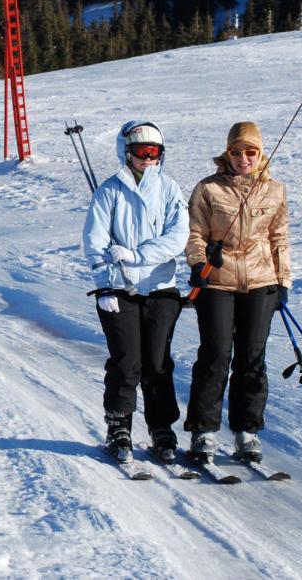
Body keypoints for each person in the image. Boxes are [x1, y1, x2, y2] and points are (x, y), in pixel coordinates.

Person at [184, 121, 292, 463]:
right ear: (226, 154)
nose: (243, 158)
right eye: (236, 152)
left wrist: (283, 282)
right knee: (216, 354)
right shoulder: (209, 189)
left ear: (260, 154)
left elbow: (279, 238)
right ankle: (204, 431)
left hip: (261, 282)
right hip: (217, 281)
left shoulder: (274, 190)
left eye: (250, 152)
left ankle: (247, 431)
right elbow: (194, 233)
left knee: (252, 358)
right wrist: (197, 265)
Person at [82, 120, 189, 462]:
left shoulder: (170, 189)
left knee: (158, 363)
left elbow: (178, 237)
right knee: (127, 362)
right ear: (125, 153)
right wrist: (104, 286)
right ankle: (119, 426)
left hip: (160, 288)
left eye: (154, 152)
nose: (147, 158)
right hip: (120, 289)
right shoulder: (109, 191)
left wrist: (140, 255)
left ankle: (162, 428)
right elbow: (95, 241)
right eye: (141, 152)